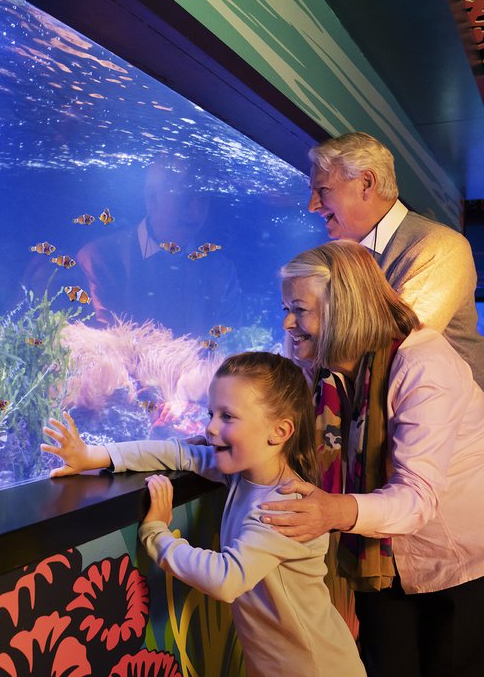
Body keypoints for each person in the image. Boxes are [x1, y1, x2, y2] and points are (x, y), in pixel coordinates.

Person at [41, 352, 365, 677]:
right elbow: (179, 453)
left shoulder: (285, 504)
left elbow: (227, 580)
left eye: (227, 417)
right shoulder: (242, 474)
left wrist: (157, 535)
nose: (209, 428)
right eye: (211, 413)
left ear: (279, 432)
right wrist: (94, 456)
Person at [264, 240, 484, 677]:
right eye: (286, 308)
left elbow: (417, 499)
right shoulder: (323, 367)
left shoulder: (421, 365)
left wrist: (331, 510)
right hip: (380, 564)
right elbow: (253, 417)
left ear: (343, 308)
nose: (288, 322)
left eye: (299, 310)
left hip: (457, 568)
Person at [307, 131, 484, 387]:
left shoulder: (441, 246)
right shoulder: (348, 257)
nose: (311, 205)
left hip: (454, 422)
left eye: (322, 189)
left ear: (366, 183)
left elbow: (393, 349)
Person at [74, 157, 242, 334]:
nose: (196, 211)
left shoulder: (222, 272)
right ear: (151, 197)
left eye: (204, 199)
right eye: (186, 196)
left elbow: (232, 347)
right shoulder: (97, 259)